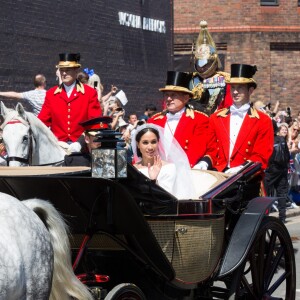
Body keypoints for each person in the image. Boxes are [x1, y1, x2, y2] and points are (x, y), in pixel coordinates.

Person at [205, 64, 274, 173]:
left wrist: (241, 169)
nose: (235, 92)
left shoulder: (263, 121)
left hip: (248, 179)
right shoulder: (215, 118)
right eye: (233, 87)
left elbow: (261, 155)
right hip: (219, 176)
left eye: (240, 87)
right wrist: (204, 163)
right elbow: (211, 149)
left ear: (250, 90)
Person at [148, 70, 214, 169]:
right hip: (156, 171)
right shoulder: (154, 120)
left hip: (184, 171)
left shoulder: (199, 120)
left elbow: (197, 149)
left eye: (173, 95)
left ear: (186, 98)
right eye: (166, 95)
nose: (169, 98)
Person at [38, 53, 101, 143]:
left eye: (68, 70)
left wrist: (81, 142)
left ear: (76, 70)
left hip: (82, 146)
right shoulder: (51, 94)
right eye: (61, 70)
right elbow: (42, 121)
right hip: (57, 146)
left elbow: (94, 122)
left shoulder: (89, 93)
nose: (64, 73)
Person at [132, 123, 197, 199]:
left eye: (153, 142)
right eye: (145, 143)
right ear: (138, 144)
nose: (150, 147)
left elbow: (165, 199)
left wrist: (153, 181)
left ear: (158, 142)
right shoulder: (133, 169)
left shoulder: (169, 168)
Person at [189, 20, 232, 115]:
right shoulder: (190, 79)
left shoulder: (225, 79)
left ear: (214, 62)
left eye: (206, 64)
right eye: (199, 63)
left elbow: (228, 105)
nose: (202, 67)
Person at [264, 122, 290, 223]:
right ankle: (282, 218)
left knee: (265, 192)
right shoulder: (282, 139)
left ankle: (265, 216)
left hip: (271, 170)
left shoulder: (268, 140)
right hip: (282, 170)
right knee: (282, 194)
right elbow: (287, 156)